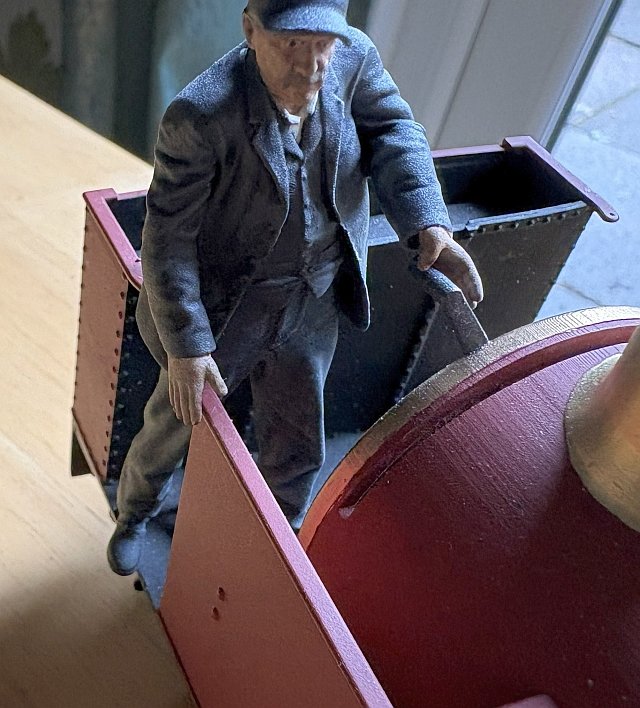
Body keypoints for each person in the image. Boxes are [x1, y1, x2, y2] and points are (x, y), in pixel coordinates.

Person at [107, 0, 484, 575]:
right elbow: (167, 239)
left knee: (299, 438)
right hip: (228, 308)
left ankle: (277, 542)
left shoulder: (354, 61)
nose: (309, 66)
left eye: (321, 44)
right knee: (174, 424)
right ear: (250, 30)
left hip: (313, 300)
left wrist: (428, 222)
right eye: (290, 45)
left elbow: (394, 131)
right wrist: (188, 346)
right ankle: (134, 513)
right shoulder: (201, 114)